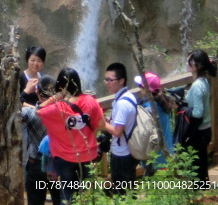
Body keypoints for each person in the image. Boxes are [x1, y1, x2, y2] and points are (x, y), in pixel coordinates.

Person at [36, 68, 101, 205]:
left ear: (59, 87)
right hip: (88, 156)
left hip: (65, 159)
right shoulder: (90, 101)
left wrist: (54, 98)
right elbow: (97, 124)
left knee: (67, 197)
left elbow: (38, 111)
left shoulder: (57, 108)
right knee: (87, 196)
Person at [102, 62, 137, 195]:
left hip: (122, 155)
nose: (107, 83)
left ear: (121, 81)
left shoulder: (122, 103)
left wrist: (102, 123)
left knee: (122, 194)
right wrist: (108, 121)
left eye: (110, 80)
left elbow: (117, 132)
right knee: (128, 191)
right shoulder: (129, 96)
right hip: (128, 152)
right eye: (106, 79)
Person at [22, 75, 57, 205]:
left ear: (37, 92)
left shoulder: (29, 113)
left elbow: (11, 108)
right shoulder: (62, 112)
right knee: (60, 200)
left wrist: (25, 91)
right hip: (57, 165)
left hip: (35, 164)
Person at [183, 49, 216, 183]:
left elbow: (198, 112)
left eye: (190, 61)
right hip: (205, 130)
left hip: (199, 132)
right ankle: (203, 190)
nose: (187, 63)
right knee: (201, 164)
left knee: (197, 167)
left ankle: (200, 193)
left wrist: (182, 110)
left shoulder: (197, 86)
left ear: (199, 66)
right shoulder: (203, 81)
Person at [134, 71, 175, 167]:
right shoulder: (163, 101)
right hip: (168, 154)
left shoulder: (146, 108)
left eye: (141, 86)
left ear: (146, 89)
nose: (139, 88)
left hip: (154, 158)